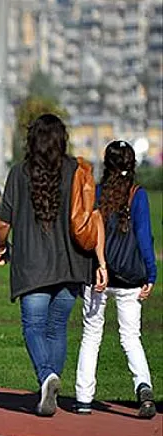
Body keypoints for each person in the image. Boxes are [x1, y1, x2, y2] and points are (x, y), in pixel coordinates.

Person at [0, 114, 107, 417]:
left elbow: (4, 221)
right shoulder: (77, 171)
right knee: (57, 328)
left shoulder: (19, 173)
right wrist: (100, 262)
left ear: (32, 140)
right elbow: (92, 218)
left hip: (32, 267)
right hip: (71, 264)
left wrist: (1, 245)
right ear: (62, 140)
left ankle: (46, 377)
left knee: (33, 326)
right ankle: (50, 386)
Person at [74, 141, 157, 418]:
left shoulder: (96, 194)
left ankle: (84, 397)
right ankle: (143, 387)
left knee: (91, 335)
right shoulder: (138, 195)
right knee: (131, 336)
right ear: (131, 165)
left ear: (106, 164)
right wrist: (151, 273)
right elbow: (145, 238)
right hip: (130, 277)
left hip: (97, 273)